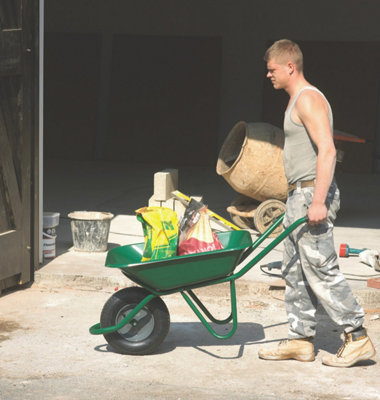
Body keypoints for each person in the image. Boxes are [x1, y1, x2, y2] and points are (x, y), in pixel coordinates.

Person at [258, 39, 376, 367]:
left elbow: (328, 149)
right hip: (299, 194)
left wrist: (319, 201)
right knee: (294, 269)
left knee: (321, 268)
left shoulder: (308, 99)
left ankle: (357, 337)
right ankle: (300, 339)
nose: (268, 75)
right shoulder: (296, 99)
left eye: (272, 69)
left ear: (290, 66)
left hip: (312, 194)